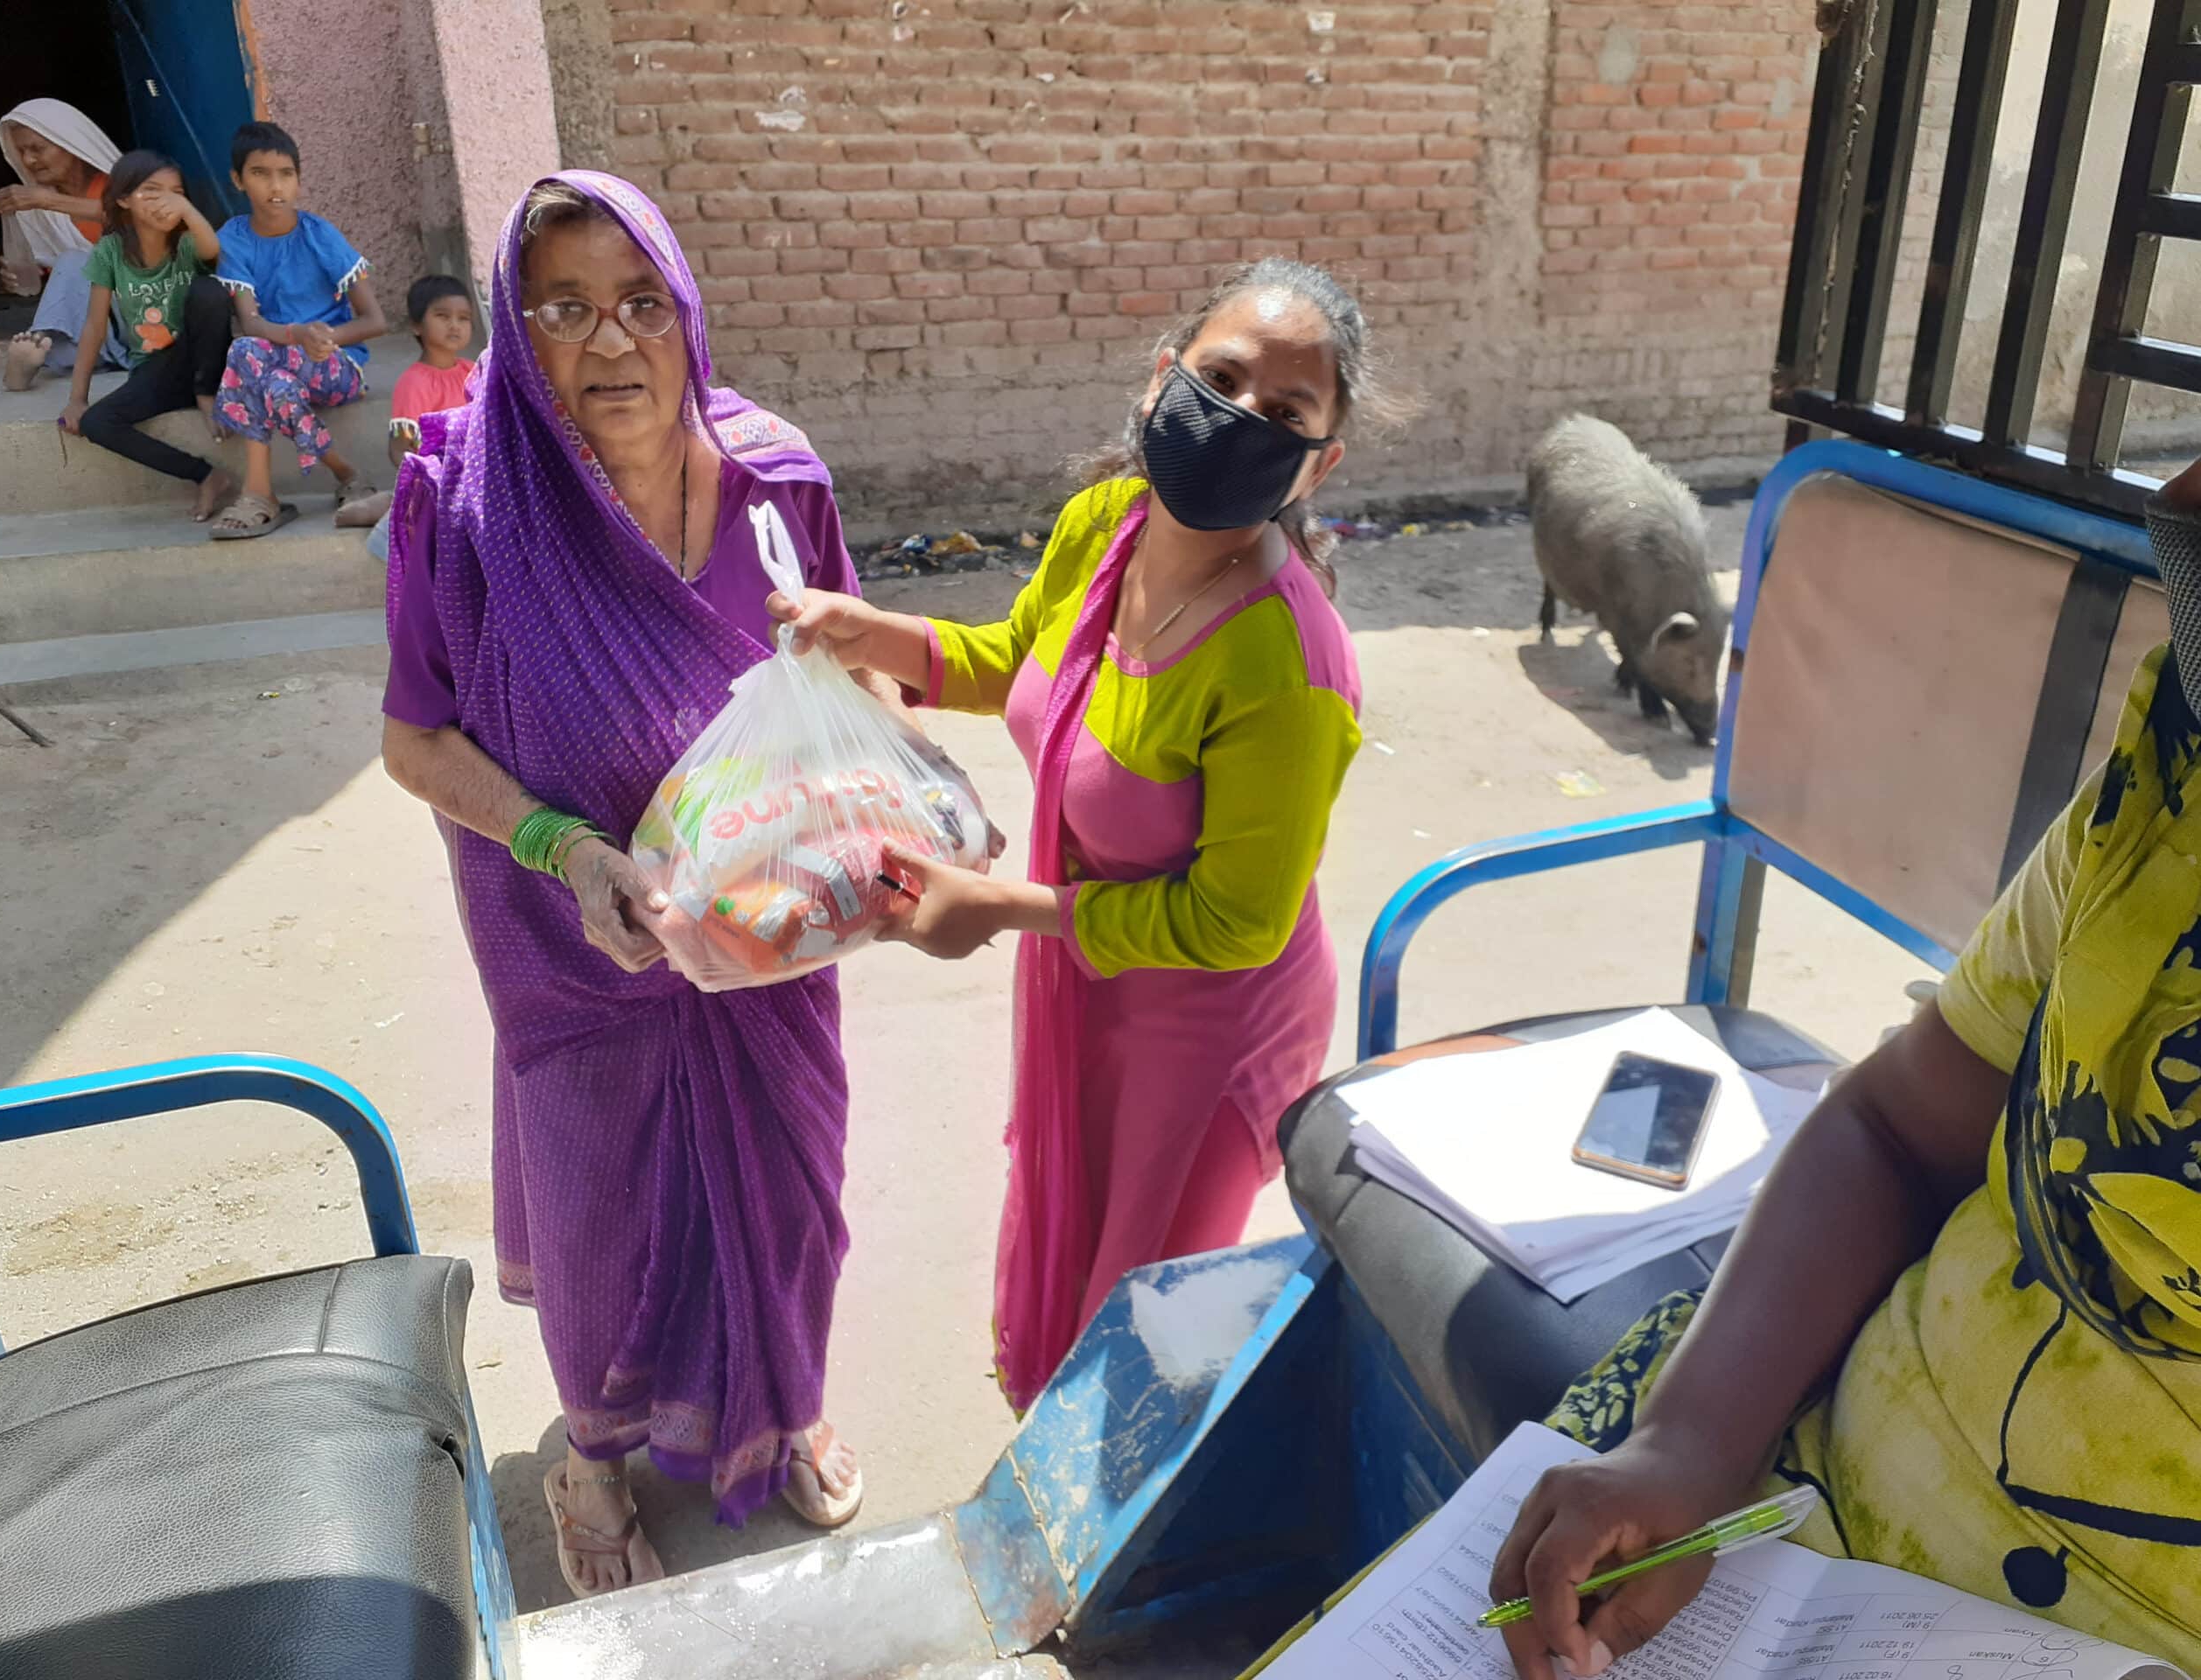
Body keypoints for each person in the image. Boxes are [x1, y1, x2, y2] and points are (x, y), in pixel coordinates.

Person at [1245, 466, 2201, 1680]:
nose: (2182, 495)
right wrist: (1686, 1449)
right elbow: (1899, 1126)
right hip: (1785, 1470)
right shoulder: (2162, 794)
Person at [379, 170, 884, 1600]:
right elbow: (417, 740)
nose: (610, 345)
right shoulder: (462, 501)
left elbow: (827, 669)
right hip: (567, 934)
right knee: (606, 1209)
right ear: (514, 330)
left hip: (761, 931)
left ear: (686, 310)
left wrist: (841, 827)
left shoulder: (777, 477)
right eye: (565, 310)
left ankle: (783, 1404)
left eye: (640, 303)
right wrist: (568, 849)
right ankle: (593, 1461)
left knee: (792, 1194)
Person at [775, 257, 1382, 1411]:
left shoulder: (1285, 662)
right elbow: (1021, 661)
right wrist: (876, 633)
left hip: (1206, 1029)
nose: (1242, 418)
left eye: (1286, 413)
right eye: (1222, 377)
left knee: (1140, 1328)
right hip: (1089, 978)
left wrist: (994, 907)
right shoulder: (1108, 523)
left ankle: (1119, 1566)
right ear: (1164, 378)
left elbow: (1235, 922)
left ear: (1322, 460)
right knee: (1066, 1251)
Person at [210, 122, 387, 540]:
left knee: (248, 356)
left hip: (336, 366)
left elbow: (374, 320)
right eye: (260, 173)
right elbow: (250, 322)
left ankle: (259, 495)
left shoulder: (318, 234)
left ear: (298, 182)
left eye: (286, 174)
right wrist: (297, 335)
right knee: (269, 377)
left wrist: (326, 340)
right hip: (279, 362)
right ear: (237, 180)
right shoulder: (233, 238)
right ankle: (346, 476)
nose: (275, 186)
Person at [60, 151, 237, 522]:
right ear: (123, 198)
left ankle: (206, 394)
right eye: (152, 191)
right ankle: (206, 475)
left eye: (176, 192)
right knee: (97, 423)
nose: (167, 201)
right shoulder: (110, 251)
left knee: (210, 291)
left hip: (207, 362)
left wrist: (187, 211)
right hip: (157, 370)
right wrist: (78, 398)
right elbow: (94, 324)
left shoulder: (187, 243)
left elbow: (212, 250)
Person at [0, 99, 124, 390]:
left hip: (141, 307)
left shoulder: (122, 184)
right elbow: (60, 283)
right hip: (93, 322)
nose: (28, 161)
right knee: (70, 265)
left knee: (74, 259)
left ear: (70, 144)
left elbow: (141, 219)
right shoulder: (35, 206)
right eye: (21, 151)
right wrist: (32, 275)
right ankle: (33, 359)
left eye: (37, 149)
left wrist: (49, 201)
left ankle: (43, 347)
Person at [353, 273, 477, 549]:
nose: (454, 325)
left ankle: (385, 502)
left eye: (464, 318)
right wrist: (431, 478)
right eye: (443, 316)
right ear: (417, 326)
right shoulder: (415, 383)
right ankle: (386, 505)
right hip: (436, 482)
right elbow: (399, 448)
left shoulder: (474, 372)